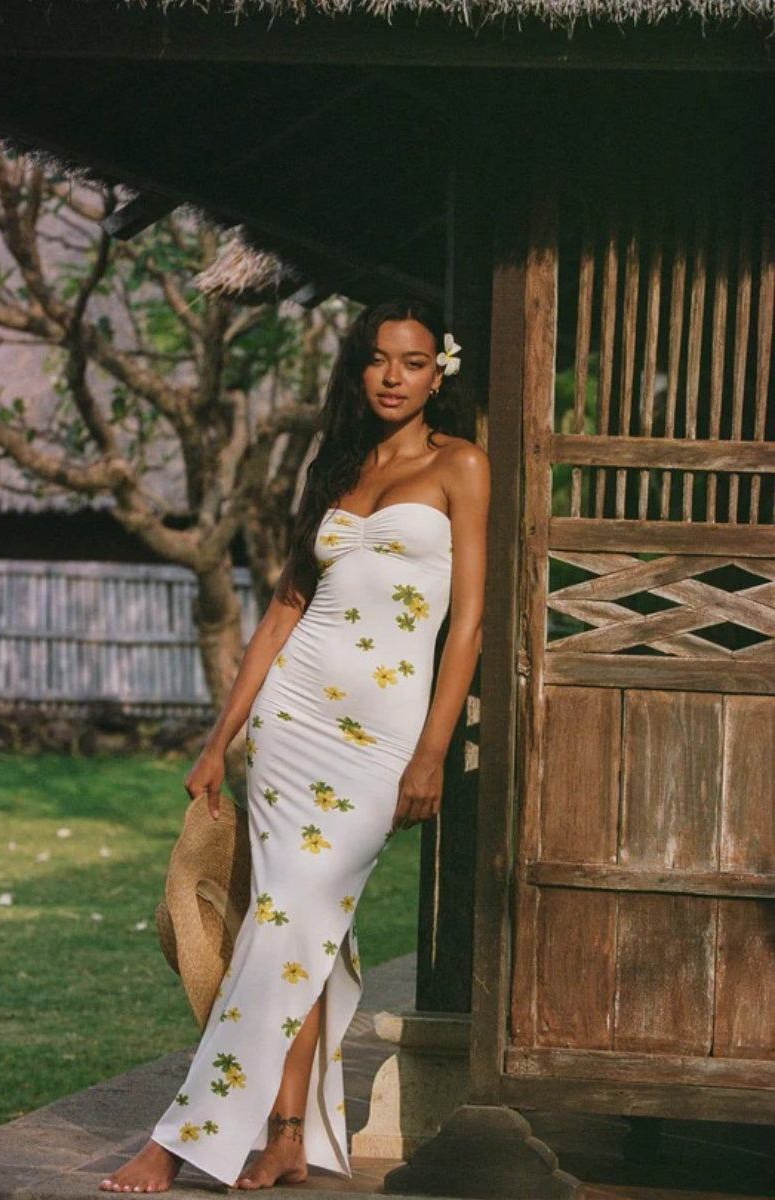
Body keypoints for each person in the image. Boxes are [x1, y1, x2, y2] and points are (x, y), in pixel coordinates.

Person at [99, 297, 490, 1194]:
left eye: (414, 362)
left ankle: (181, 1139)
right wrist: (220, 740)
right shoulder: (339, 465)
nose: (394, 377)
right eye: (379, 359)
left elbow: (466, 625)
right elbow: (283, 611)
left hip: (382, 740)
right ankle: (285, 1136)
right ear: (359, 367)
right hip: (291, 724)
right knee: (296, 929)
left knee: (287, 925)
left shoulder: (461, 465)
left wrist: (432, 752)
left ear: (439, 373)